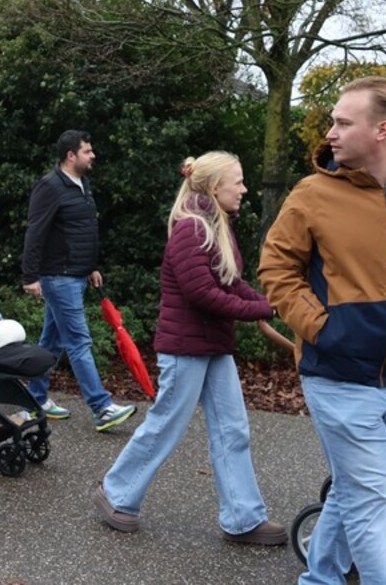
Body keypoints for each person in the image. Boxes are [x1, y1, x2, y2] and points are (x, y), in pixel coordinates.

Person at [259, 76, 386, 584]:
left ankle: (318, 579)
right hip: (338, 376)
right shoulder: (313, 194)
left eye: (342, 122)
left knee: (357, 492)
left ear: (382, 130)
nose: (330, 133)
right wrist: (323, 328)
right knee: (370, 505)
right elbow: (276, 269)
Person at [95, 151, 286, 546]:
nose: (244, 189)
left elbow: (231, 283)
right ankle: (116, 494)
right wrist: (262, 309)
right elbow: (203, 294)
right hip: (185, 348)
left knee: (233, 429)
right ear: (215, 187)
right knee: (166, 424)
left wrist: (272, 303)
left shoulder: (217, 226)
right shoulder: (191, 228)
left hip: (213, 347)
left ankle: (243, 517)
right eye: (238, 181)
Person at [21, 130, 135, 431]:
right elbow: (36, 231)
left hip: (76, 273)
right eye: (87, 151)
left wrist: (90, 267)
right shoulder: (50, 186)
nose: (93, 155)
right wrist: (30, 276)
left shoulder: (82, 184)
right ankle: (101, 407)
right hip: (58, 277)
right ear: (71, 155)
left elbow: (81, 231)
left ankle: (34, 399)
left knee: (51, 342)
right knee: (79, 341)